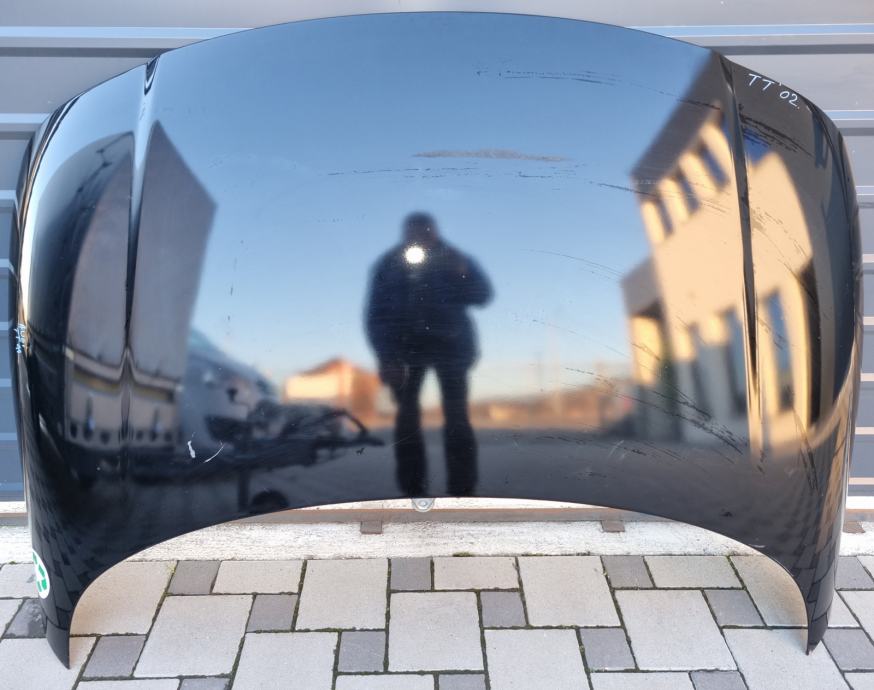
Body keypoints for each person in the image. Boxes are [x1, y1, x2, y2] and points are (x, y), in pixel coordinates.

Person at [365, 212, 493, 495]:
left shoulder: (454, 257)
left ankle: (462, 492)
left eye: (426, 231)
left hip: (452, 346)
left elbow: (483, 296)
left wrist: (462, 271)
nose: (420, 237)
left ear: (435, 231)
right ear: (404, 233)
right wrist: (386, 357)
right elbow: (376, 313)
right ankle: (412, 492)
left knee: (457, 416)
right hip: (405, 349)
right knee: (407, 418)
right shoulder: (389, 263)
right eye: (414, 232)